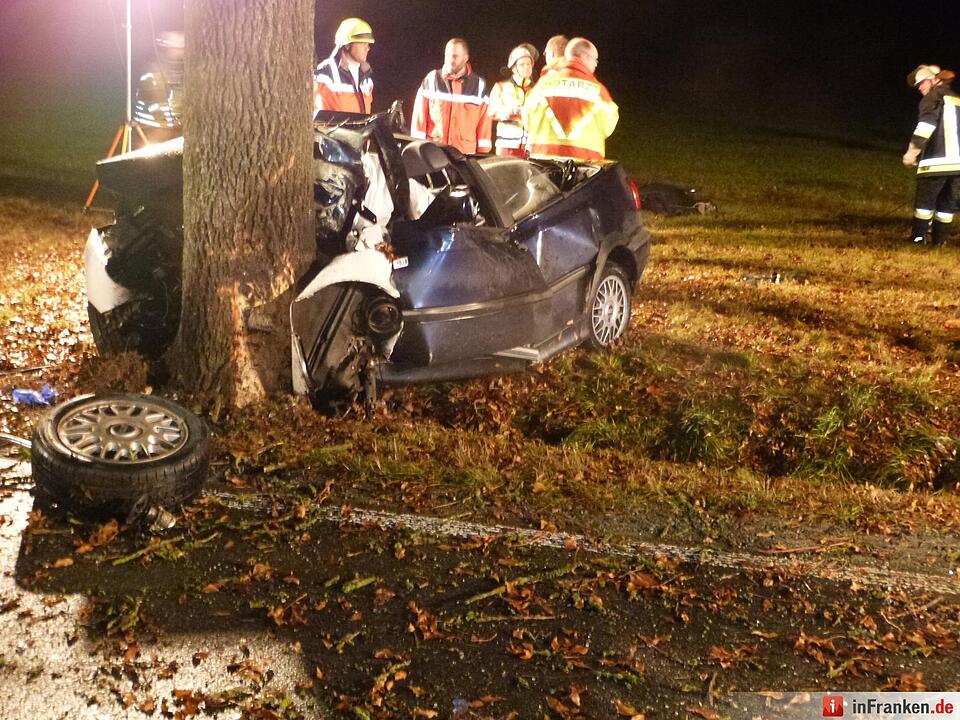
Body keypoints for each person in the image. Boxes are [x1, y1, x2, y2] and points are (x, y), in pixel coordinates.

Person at [522, 37, 619, 161]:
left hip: (543, 164)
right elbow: (608, 125)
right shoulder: (598, 90)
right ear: (584, 57)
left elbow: (527, 119)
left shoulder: (542, 85)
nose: (595, 64)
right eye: (595, 60)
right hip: (584, 167)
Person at [903, 64, 960, 246]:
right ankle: (940, 241)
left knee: (924, 205)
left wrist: (912, 152)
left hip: (936, 164)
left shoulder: (932, 98)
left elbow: (926, 126)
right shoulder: (956, 98)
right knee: (946, 206)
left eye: (922, 83)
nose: (920, 88)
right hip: (958, 166)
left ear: (935, 80)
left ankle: (919, 239)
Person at [411, 38, 492, 154]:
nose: (450, 60)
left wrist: (482, 156)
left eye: (454, 56)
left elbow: (484, 126)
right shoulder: (432, 79)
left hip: (465, 155)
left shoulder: (479, 85)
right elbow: (419, 119)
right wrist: (417, 150)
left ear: (466, 58)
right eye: (447, 55)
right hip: (434, 153)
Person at [314, 18, 375, 117]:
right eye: (362, 43)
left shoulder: (367, 80)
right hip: (331, 132)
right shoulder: (324, 75)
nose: (367, 48)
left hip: (360, 132)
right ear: (347, 45)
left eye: (368, 44)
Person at [488, 44, 538, 156]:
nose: (526, 67)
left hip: (530, 147)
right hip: (506, 146)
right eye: (522, 64)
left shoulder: (537, 90)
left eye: (529, 64)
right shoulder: (500, 87)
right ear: (513, 67)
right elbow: (491, 112)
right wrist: (507, 112)